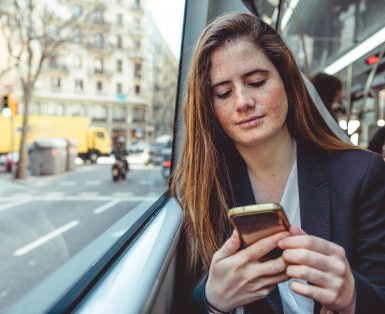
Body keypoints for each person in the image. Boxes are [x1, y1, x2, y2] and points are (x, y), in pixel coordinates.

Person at [170, 12, 385, 314]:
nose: (243, 101)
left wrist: (353, 296)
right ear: (210, 109)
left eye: (256, 81)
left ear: (287, 81)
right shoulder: (205, 190)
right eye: (223, 93)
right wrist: (212, 301)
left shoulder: (363, 175)